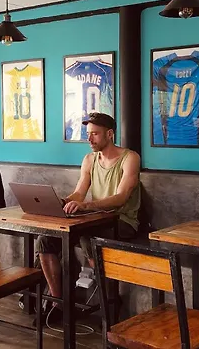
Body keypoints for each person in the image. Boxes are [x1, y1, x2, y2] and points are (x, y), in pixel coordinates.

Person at [36, 112, 141, 324]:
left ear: (110, 134)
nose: (89, 139)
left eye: (95, 134)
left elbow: (121, 198)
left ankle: (109, 302)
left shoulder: (130, 158)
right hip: (95, 219)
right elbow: (79, 193)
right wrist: (64, 202)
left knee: (88, 238)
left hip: (123, 221)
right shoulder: (89, 159)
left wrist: (86, 205)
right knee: (45, 240)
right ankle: (59, 304)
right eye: (88, 134)